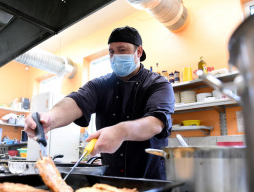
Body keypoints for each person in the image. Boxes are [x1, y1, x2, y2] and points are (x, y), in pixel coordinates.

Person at [25, 26, 175, 180]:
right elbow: (76, 102)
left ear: (139, 52)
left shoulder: (158, 84)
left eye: (122, 50)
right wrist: (50, 117)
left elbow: (156, 122)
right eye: (111, 51)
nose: (115, 56)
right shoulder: (100, 85)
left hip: (151, 180)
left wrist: (121, 131)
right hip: (111, 179)